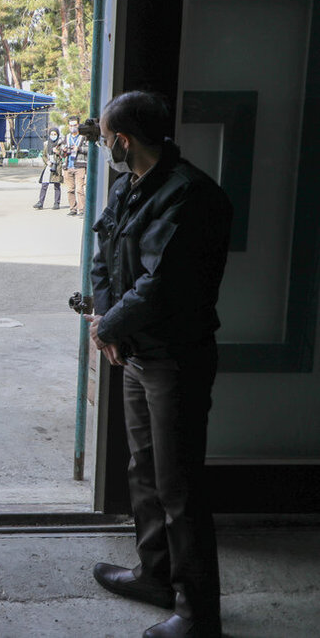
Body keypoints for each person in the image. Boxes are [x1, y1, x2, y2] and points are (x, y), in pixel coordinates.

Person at [86, 91, 232, 638]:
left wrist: (109, 327)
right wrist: (108, 325)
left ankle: (199, 616)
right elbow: (104, 258)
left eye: (106, 138)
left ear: (123, 140)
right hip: (136, 352)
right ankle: (155, 575)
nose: (105, 146)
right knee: (142, 473)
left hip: (175, 359)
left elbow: (161, 285)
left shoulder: (190, 196)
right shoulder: (130, 187)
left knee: (180, 487)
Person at [63, 115, 89, 216]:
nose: (73, 127)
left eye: (75, 125)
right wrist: (63, 151)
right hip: (68, 165)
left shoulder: (84, 137)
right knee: (70, 189)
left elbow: (89, 150)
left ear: (78, 125)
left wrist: (79, 149)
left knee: (79, 189)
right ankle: (72, 208)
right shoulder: (66, 137)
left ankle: (82, 210)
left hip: (80, 166)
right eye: (71, 125)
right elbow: (61, 151)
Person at [34, 128, 63, 209]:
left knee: (56, 185)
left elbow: (64, 154)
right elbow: (43, 155)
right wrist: (47, 162)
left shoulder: (61, 144)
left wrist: (58, 152)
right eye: (51, 134)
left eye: (55, 134)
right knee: (44, 184)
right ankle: (40, 202)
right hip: (48, 165)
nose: (53, 136)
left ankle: (56, 203)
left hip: (57, 166)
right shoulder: (47, 144)